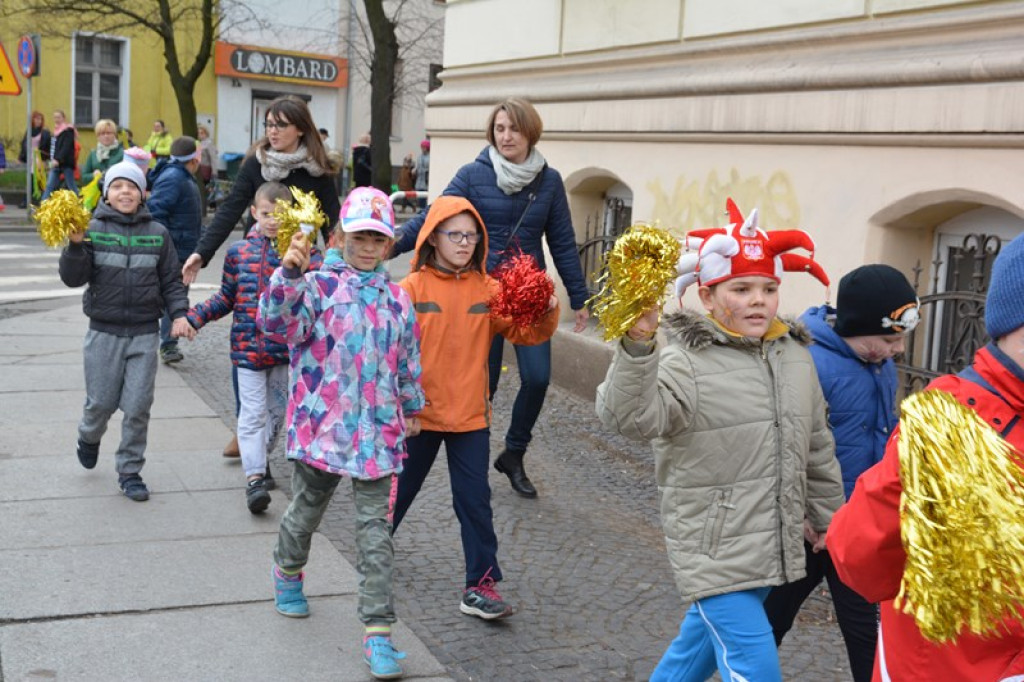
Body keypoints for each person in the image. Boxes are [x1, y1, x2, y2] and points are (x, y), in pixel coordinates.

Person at [595, 205, 845, 681]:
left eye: (768, 289)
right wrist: (638, 342)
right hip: (714, 551)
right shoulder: (684, 362)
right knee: (754, 666)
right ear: (708, 297)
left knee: (692, 655)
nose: (759, 301)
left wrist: (826, 518)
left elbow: (815, 444)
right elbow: (625, 417)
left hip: (771, 543)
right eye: (741, 289)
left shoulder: (795, 357)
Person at [828, 233, 1024, 681]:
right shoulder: (950, 418)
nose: (899, 350)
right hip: (938, 662)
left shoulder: (885, 372)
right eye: (889, 338)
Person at [258, 187, 424, 680]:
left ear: (389, 244)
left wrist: (412, 406)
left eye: (378, 238)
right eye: (359, 237)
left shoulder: (397, 301)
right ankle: (287, 570)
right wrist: (288, 273)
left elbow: (408, 361)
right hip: (322, 432)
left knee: (375, 536)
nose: (369, 246)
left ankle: (378, 634)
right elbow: (274, 323)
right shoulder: (317, 287)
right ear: (340, 236)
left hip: (377, 437)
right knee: (306, 511)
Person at [392, 97, 590, 498]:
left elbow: (564, 243)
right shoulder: (473, 174)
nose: (506, 136)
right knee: (482, 384)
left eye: (513, 129)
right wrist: (389, 244)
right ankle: (471, 465)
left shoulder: (548, 181)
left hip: (524, 298)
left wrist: (579, 296)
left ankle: (514, 452)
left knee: (537, 378)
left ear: (530, 131)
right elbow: (435, 217)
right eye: (499, 129)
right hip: (476, 295)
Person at [394, 196, 560, 621]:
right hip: (418, 417)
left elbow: (525, 334)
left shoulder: (490, 290)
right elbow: (389, 348)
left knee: (475, 502)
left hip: (470, 418)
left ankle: (480, 584)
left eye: (472, 235)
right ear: (433, 238)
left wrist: (547, 313)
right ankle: (373, 551)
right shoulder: (411, 289)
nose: (465, 243)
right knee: (396, 494)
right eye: (456, 235)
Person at [763, 264, 920, 682]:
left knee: (865, 634)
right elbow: (786, 447)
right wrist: (801, 517)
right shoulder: (809, 363)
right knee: (769, 621)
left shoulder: (879, 365)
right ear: (854, 327)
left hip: (855, 527)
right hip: (810, 532)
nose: (898, 349)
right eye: (889, 338)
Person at [180, 96, 341, 458]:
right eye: (268, 124)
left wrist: (338, 264)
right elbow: (232, 209)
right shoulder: (257, 164)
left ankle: (270, 427)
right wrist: (201, 254)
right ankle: (247, 426)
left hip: (298, 268)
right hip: (257, 264)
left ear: (301, 128)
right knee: (248, 348)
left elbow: (334, 222)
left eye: (280, 124)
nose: (272, 130)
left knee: (289, 355)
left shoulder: (318, 170)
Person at [57, 161, 192, 502]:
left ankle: (130, 471)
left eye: (131, 186)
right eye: (117, 186)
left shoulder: (158, 233)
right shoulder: (90, 228)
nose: (125, 192)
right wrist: (74, 245)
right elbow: (73, 278)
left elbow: (171, 282)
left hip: (145, 333)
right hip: (104, 332)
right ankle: (88, 435)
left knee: (137, 405)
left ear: (143, 193)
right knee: (100, 402)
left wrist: (179, 315)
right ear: (106, 193)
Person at [186, 182, 318, 513]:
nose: (272, 221)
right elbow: (226, 297)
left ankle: (258, 458)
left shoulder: (302, 252)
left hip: (285, 353)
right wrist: (194, 317)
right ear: (254, 213)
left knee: (276, 416)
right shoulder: (239, 253)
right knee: (252, 414)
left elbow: (319, 297)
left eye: (280, 215)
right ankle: (255, 478)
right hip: (247, 350)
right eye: (266, 214)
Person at [147, 136, 203, 365]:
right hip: (175, 251)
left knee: (174, 296)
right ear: (193, 159)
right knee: (173, 296)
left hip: (183, 248)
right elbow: (156, 212)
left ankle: (166, 342)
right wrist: (166, 246)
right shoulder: (174, 178)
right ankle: (166, 345)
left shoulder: (181, 176)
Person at [41, 109, 78, 200]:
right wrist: (46, 159)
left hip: (65, 163)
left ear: (63, 118)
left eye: (58, 117)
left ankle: (81, 204)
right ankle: (42, 206)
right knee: (49, 185)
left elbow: (66, 147)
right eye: (55, 117)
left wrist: (58, 159)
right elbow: (52, 148)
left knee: (71, 186)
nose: (56, 119)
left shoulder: (68, 130)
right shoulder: (55, 131)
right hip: (55, 163)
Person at [18, 110, 51, 207]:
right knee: (35, 180)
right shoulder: (29, 131)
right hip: (30, 158)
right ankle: (41, 199)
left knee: (35, 179)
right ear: (32, 120)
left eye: (40, 119)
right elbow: (24, 144)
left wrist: (46, 159)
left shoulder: (45, 133)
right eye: (36, 119)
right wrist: (21, 157)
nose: (38, 121)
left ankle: (27, 201)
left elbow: (48, 147)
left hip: (39, 159)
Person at [412, 139, 430, 209]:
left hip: (426, 181)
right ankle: (421, 209)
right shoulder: (419, 157)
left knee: (423, 198)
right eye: (422, 147)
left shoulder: (430, 157)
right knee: (419, 198)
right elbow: (417, 166)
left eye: (424, 147)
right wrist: (414, 170)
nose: (422, 149)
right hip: (419, 181)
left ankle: (423, 210)